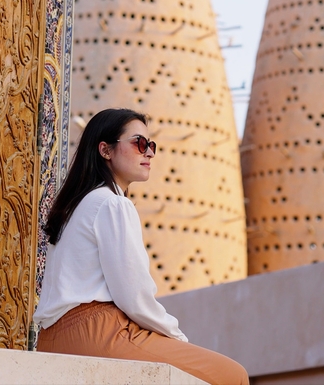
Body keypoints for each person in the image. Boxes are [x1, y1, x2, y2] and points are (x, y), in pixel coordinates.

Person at [35, 108, 249, 385]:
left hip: (52, 338)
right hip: (96, 333)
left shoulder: (77, 205)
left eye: (151, 146)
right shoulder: (112, 203)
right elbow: (134, 296)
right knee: (233, 376)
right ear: (106, 150)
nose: (149, 153)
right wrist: (177, 338)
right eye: (139, 143)